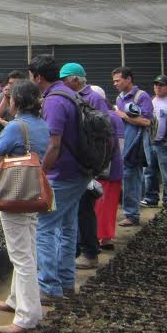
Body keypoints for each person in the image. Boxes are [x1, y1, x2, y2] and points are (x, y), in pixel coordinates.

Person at [0, 80, 50, 333]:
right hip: (33, 192)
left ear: (17, 101)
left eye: (11, 97)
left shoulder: (15, 127)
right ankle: (15, 299)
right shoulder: (42, 125)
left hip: (14, 193)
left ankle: (27, 316)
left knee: (21, 256)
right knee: (29, 249)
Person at [28, 54, 88, 300]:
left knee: (44, 227)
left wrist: (42, 172)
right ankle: (65, 282)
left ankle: (48, 286)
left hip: (61, 174)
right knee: (67, 226)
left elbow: (54, 144)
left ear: (38, 77)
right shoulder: (70, 93)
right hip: (79, 172)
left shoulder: (53, 101)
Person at [60, 62, 111, 270]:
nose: (61, 84)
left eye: (64, 80)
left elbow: (103, 135)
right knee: (76, 210)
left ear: (74, 80)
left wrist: (96, 167)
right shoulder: (71, 96)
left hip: (87, 164)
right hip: (76, 163)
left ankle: (90, 252)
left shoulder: (94, 98)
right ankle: (78, 251)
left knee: (84, 209)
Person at [112, 66, 153, 227]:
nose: (115, 84)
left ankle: (132, 215)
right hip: (123, 145)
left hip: (136, 145)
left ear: (128, 79)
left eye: (118, 80)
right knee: (129, 178)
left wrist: (123, 116)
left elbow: (146, 121)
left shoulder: (141, 96)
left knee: (132, 178)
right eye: (114, 81)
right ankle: (131, 210)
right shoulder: (119, 98)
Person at [93, 85, 124, 250]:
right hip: (113, 167)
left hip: (107, 168)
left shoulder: (107, 117)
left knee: (102, 204)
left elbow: (118, 143)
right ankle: (105, 237)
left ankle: (102, 237)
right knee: (108, 204)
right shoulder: (113, 116)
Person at [141, 74, 167, 208]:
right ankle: (151, 198)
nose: (158, 87)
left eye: (161, 85)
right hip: (149, 142)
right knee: (149, 171)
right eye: (156, 85)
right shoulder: (149, 101)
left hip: (166, 143)